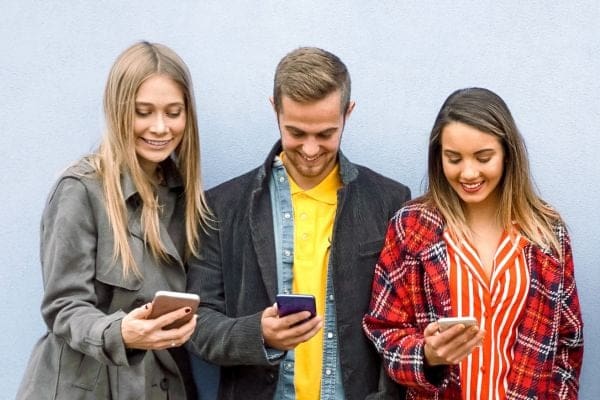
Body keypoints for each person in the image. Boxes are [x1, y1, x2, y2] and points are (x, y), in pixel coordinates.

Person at [187, 47, 411, 399]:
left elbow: (402, 323)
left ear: (348, 113)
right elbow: (198, 322)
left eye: (325, 134)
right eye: (296, 132)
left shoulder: (389, 201)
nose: (309, 149)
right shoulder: (222, 206)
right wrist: (258, 334)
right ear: (274, 109)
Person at [17, 41, 211, 399]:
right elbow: (64, 307)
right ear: (118, 109)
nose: (160, 127)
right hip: (82, 388)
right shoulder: (80, 190)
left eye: (173, 112)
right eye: (143, 111)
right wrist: (120, 332)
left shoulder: (184, 197)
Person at [363, 87, 584, 399]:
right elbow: (384, 329)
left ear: (507, 153)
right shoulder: (412, 227)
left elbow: (567, 343)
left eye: (483, 157)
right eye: (454, 158)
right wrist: (427, 356)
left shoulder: (548, 233)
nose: (468, 172)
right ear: (438, 157)